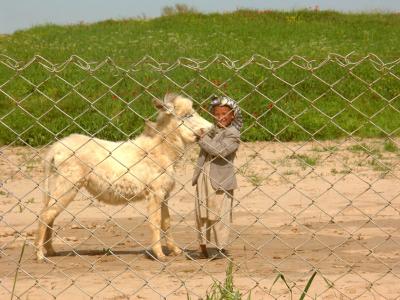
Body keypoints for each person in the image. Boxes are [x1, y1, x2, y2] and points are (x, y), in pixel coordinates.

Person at [192, 96, 242, 259]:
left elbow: (219, 151)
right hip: (203, 176)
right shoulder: (211, 131)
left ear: (232, 115)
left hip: (220, 180)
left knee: (220, 215)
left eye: (224, 114)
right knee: (202, 214)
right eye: (217, 114)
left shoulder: (233, 134)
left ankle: (221, 248)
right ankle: (203, 247)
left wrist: (201, 139)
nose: (220, 117)